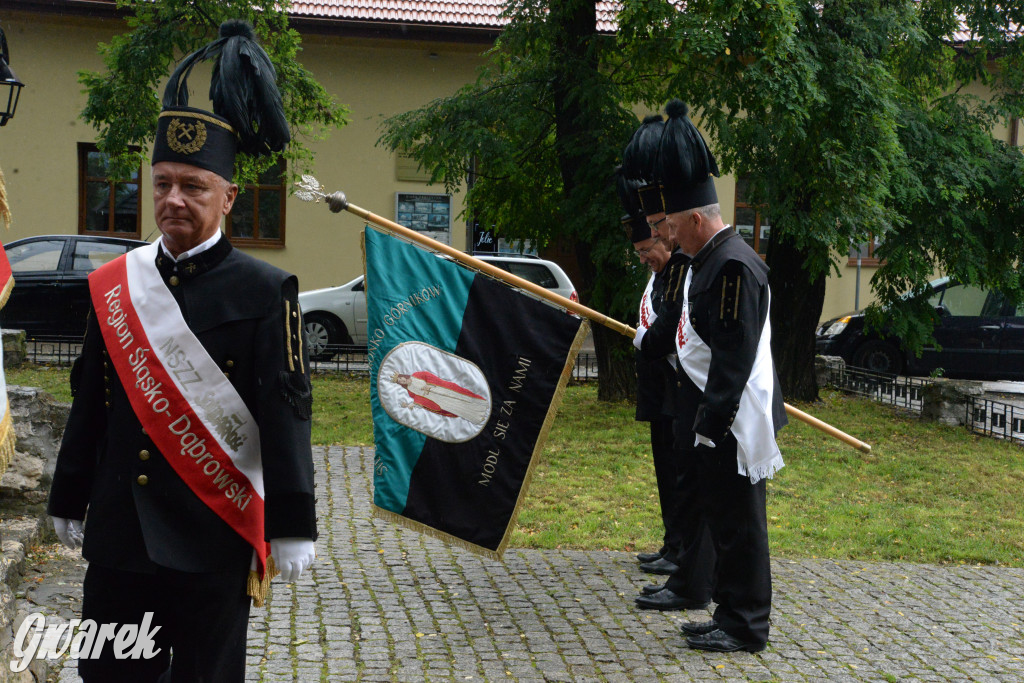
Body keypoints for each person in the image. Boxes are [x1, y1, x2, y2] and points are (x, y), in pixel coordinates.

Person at [46, 20, 317, 682]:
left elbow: (286, 414)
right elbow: (92, 400)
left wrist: (292, 521)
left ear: (228, 195)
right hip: (119, 539)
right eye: (162, 181)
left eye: (193, 186)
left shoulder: (265, 288)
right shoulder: (118, 285)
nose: (173, 200)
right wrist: (67, 495)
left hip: (210, 538)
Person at [657, 99, 787, 653]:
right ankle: (729, 610)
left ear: (696, 218)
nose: (668, 238)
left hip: (733, 421)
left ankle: (746, 624)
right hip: (715, 419)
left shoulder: (731, 264)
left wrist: (710, 422)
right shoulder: (707, 259)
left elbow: (733, 357)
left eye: (672, 226)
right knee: (723, 520)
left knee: (741, 527)